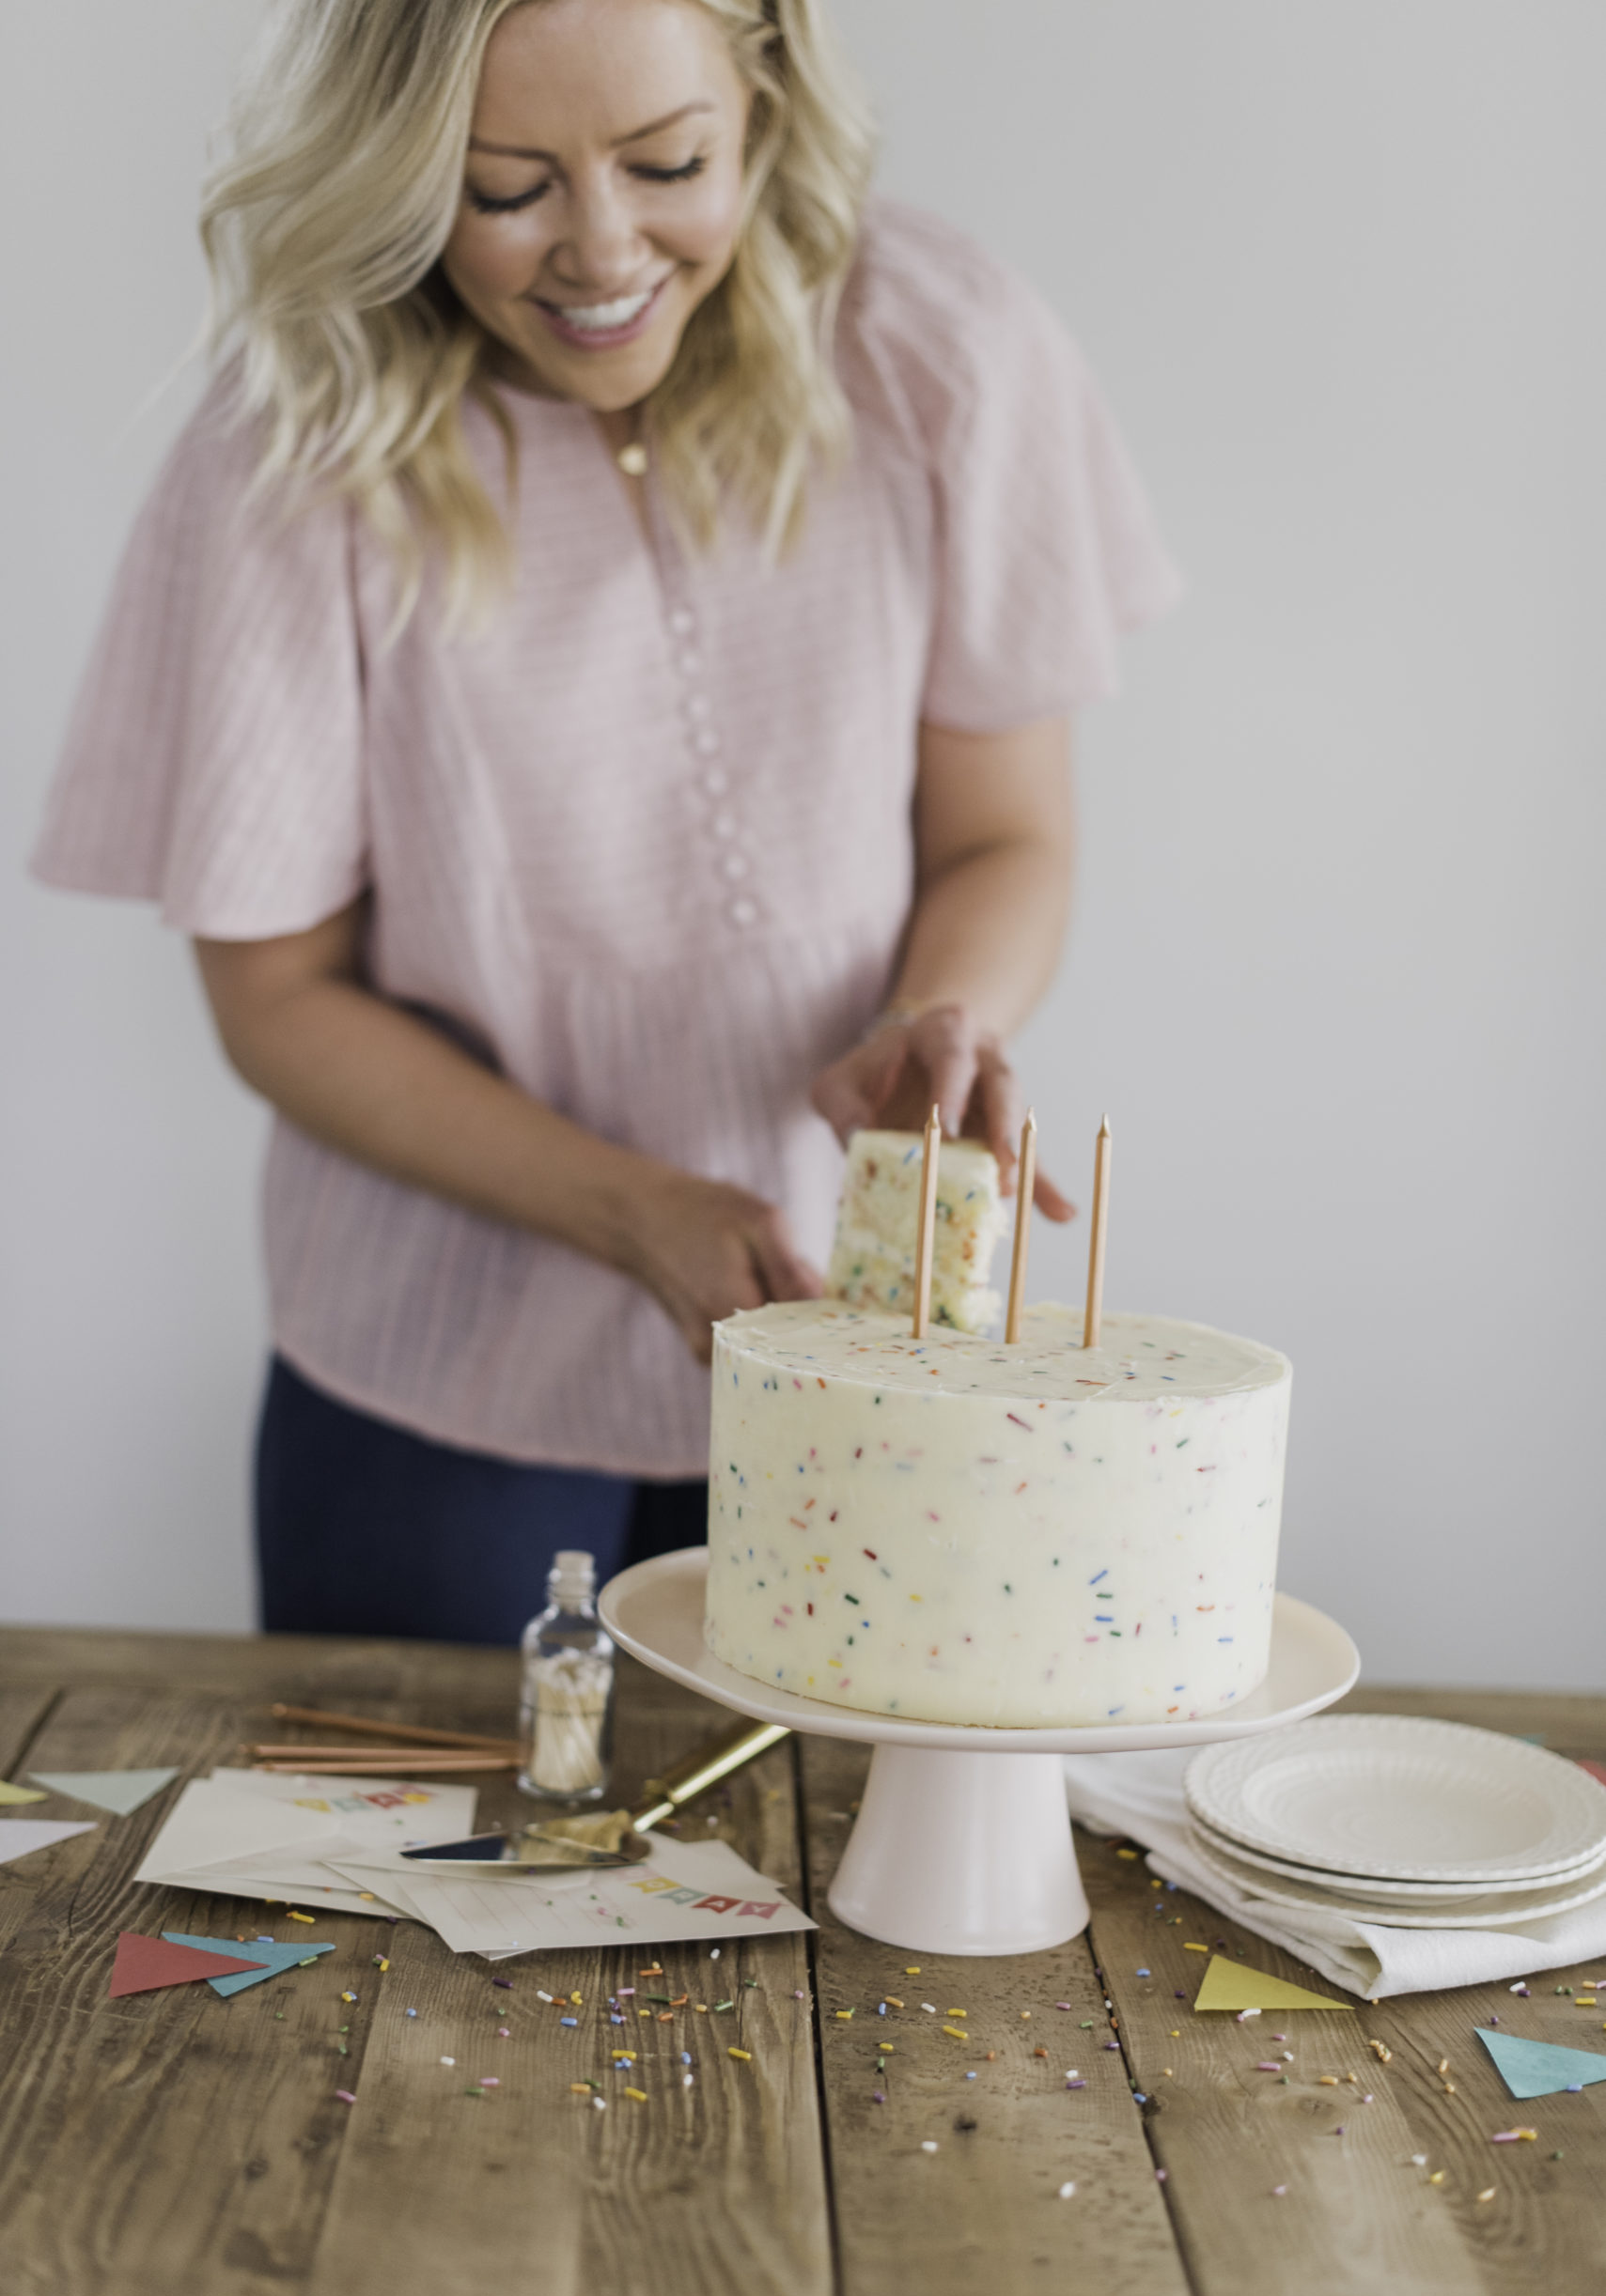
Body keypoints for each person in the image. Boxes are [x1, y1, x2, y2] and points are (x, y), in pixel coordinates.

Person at [35, 0, 1178, 1643]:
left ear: (761, 100)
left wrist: (939, 1021)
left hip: (866, 1353)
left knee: (814, 1867)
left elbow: (1006, 837)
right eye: (508, 189)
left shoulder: (941, 350)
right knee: (410, 1880)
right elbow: (276, 1000)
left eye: (666, 164)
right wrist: (632, 1208)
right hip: (434, 1388)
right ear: (406, 170)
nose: (600, 252)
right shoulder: (298, 447)